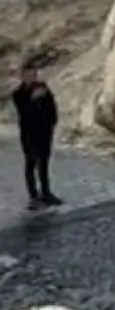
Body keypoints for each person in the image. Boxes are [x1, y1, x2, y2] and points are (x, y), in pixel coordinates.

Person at [10, 61, 60, 208]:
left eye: (34, 74)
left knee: (44, 164)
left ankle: (46, 193)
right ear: (22, 76)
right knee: (30, 164)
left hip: (44, 132)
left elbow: (52, 108)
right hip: (29, 134)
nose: (32, 77)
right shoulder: (18, 94)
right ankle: (33, 195)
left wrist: (52, 124)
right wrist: (34, 98)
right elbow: (24, 112)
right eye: (28, 74)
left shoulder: (44, 88)